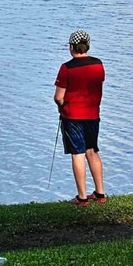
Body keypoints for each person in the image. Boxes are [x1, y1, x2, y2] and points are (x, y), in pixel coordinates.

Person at [54, 30, 107, 207]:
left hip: (73, 116)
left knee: (78, 153)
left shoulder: (66, 68)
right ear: (87, 46)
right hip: (93, 114)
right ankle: (100, 193)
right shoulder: (98, 64)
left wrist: (61, 107)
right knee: (92, 151)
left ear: (72, 47)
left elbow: (58, 97)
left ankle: (82, 197)